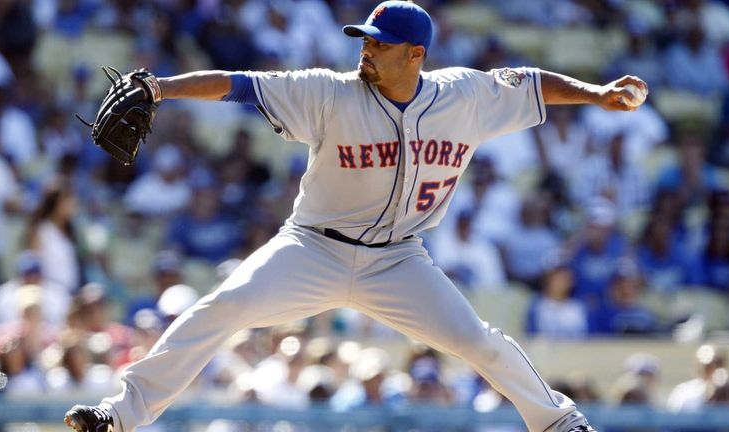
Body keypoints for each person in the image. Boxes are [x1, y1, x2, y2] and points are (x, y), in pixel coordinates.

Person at [64, 2, 649, 432]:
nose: (365, 50)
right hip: (311, 247)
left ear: (415, 55)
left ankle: (561, 424)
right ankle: (118, 415)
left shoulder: (464, 96)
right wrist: (162, 88)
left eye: (379, 44)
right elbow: (240, 86)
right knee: (224, 306)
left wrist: (597, 94)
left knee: (477, 340)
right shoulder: (330, 92)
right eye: (364, 40)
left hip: (399, 259)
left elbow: (532, 86)